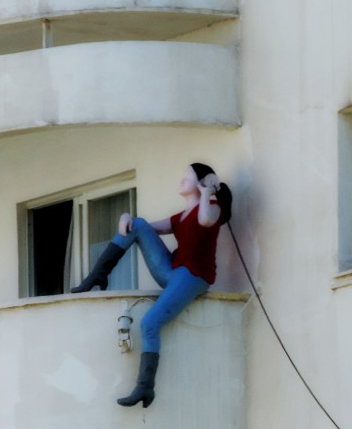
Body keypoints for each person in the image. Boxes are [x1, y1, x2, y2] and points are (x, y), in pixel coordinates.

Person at [71, 163, 233, 408]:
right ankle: (97, 276)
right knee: (136, 225)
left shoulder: (213, 208)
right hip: (171, 271)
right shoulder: (180, 217)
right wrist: (127, 218)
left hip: (193, 276)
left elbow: (205, 220)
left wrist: (209, 192)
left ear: (205, 182)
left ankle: (145, 387)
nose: (181, 181)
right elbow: (143, 227)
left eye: (187, 177)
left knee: (149, 323)